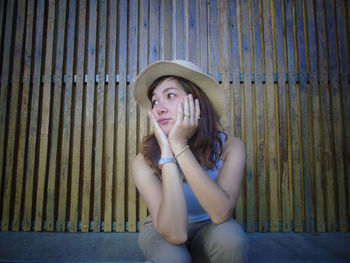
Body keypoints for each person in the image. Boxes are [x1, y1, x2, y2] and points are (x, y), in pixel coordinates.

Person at [132, 60, 249, 263]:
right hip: (163, 229)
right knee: (173, 258)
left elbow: (221, 214)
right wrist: (168, 152)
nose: (158, 108)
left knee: (232, 240)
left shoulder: (232, 146)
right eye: (155, 101)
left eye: (170, 95)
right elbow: (175, 234)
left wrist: (179, 145)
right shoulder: (143, 161)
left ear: (197, 102)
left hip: (211, 226)